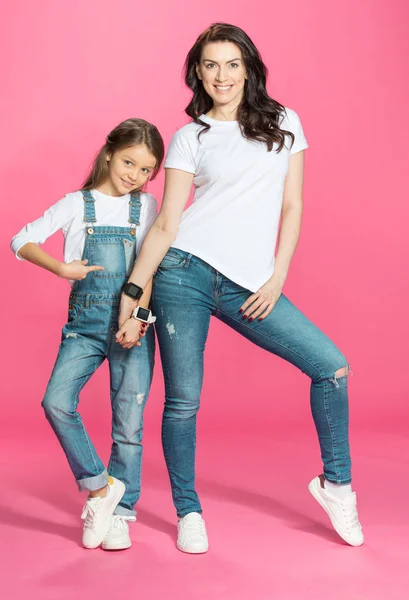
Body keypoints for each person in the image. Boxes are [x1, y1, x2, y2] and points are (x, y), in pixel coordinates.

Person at [117, 23, 364, 552]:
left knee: (331, 366)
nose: (221, 75)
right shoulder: (190, 137)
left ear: (248, 67)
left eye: (231, 64)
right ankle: (188, 511)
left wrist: (277, 277)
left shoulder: (284, 122)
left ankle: (336, 484)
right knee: (183, 401)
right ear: (197, 72)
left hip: (252, 283)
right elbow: (167, 224)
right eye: (210, 65)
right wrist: (133, 294)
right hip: (184, 271)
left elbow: (293, 205)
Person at [11, 118, 164, 550]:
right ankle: (101, 488)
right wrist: (61, 267)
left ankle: (122, 513)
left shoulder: (147, 208)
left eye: (146, 170)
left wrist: (138, 317)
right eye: (129, 162)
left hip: (132, 324)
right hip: (84, 325)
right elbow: (20, 240)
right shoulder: (77, 204)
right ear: (110, 152)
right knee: (57, 402)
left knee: (128, 426)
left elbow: (147, 266)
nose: (134, 175)